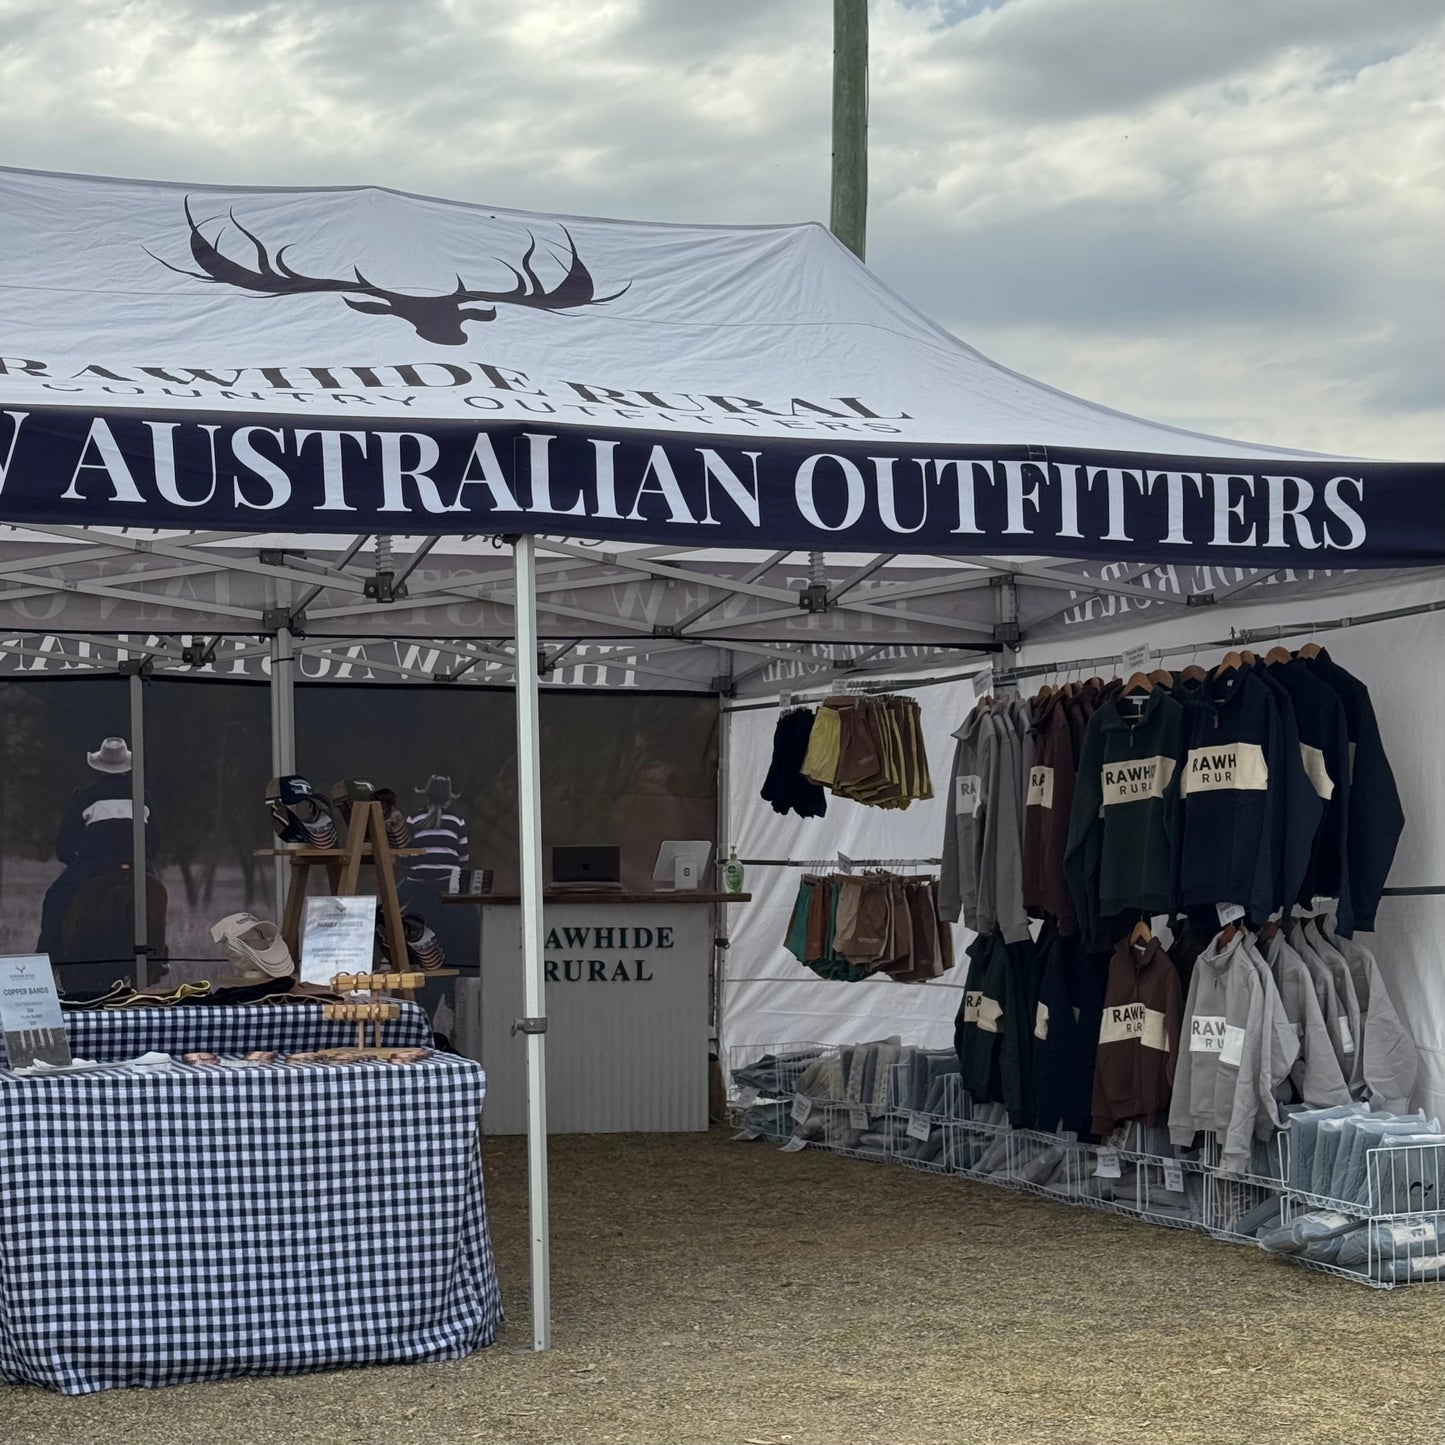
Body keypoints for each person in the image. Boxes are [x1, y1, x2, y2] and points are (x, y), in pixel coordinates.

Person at [38, 737, 158, 961]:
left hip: (93, 868)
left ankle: (49, 957)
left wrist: (72, 860)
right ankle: (159, 959)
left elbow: (64, 844)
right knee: (156, 900)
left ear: (99, 767)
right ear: (127, 767)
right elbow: (155, 840)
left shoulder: (84, 797)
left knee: (54, 898)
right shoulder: (143, 796)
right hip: (136, 866)